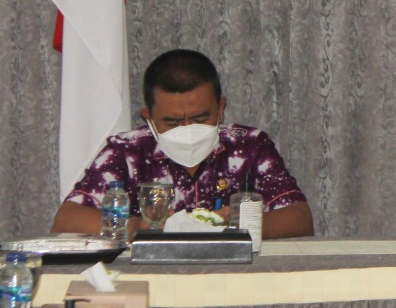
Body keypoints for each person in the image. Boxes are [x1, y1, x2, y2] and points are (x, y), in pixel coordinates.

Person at [52, 49, 314, 239]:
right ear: (148, 117)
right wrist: (137, 227)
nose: (188, 130)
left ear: (221, 108)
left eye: (200, 119)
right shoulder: (126, 151)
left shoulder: (249, 146)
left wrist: (240, 224)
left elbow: (300, 218)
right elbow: (68, 219)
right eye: (173, 122)